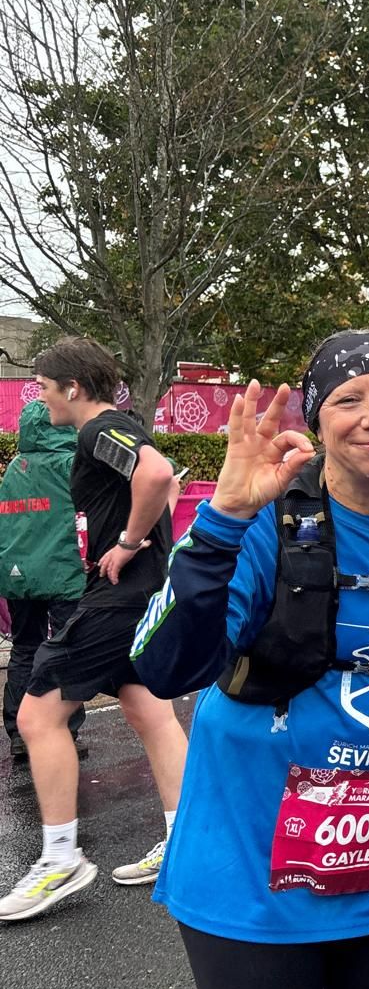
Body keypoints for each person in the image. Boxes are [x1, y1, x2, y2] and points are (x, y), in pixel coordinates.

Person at [130, 333, 369, 989]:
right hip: (247, 882)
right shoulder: (267, 521)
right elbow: (167, 665)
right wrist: (225, 519)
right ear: (317, 416)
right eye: (348, 399)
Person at [0, 338, 187, 922]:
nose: (41, 396)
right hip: (140, 593)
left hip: (115, 600)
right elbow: (170, 483)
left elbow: (156, 475)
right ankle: (184, 843)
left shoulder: (95, 428)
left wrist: (127, 544)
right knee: (150, 712)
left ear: (73, 388)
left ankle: (60, 859)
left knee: (37, 717)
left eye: (44, 386)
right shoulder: (123, 426)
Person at [0, 400, 87, 762]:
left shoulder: (13, 471)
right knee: (67, 648)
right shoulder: (72, 465)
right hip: (64, 572)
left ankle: (20, 733)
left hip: (17, 574)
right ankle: (64, 729)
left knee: (24, 647)